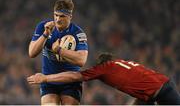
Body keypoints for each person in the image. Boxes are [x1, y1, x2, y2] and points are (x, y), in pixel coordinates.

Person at [27, 52, 180, 105]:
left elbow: (74, 76)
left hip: (161, 93)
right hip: (162, 88)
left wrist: (46, 78)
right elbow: (142, 90)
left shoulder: (103, 69)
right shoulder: (122, 63)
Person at [28, 0, 88, 105]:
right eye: (56, 15)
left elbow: (81, 60)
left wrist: (60, 51)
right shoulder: (43, 27)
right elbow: (32, 53)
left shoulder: (78, 33)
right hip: (48, 82)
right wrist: (45, 34)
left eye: (62, 16)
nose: (57, 19)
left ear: (70, 16)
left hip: (70, 82)